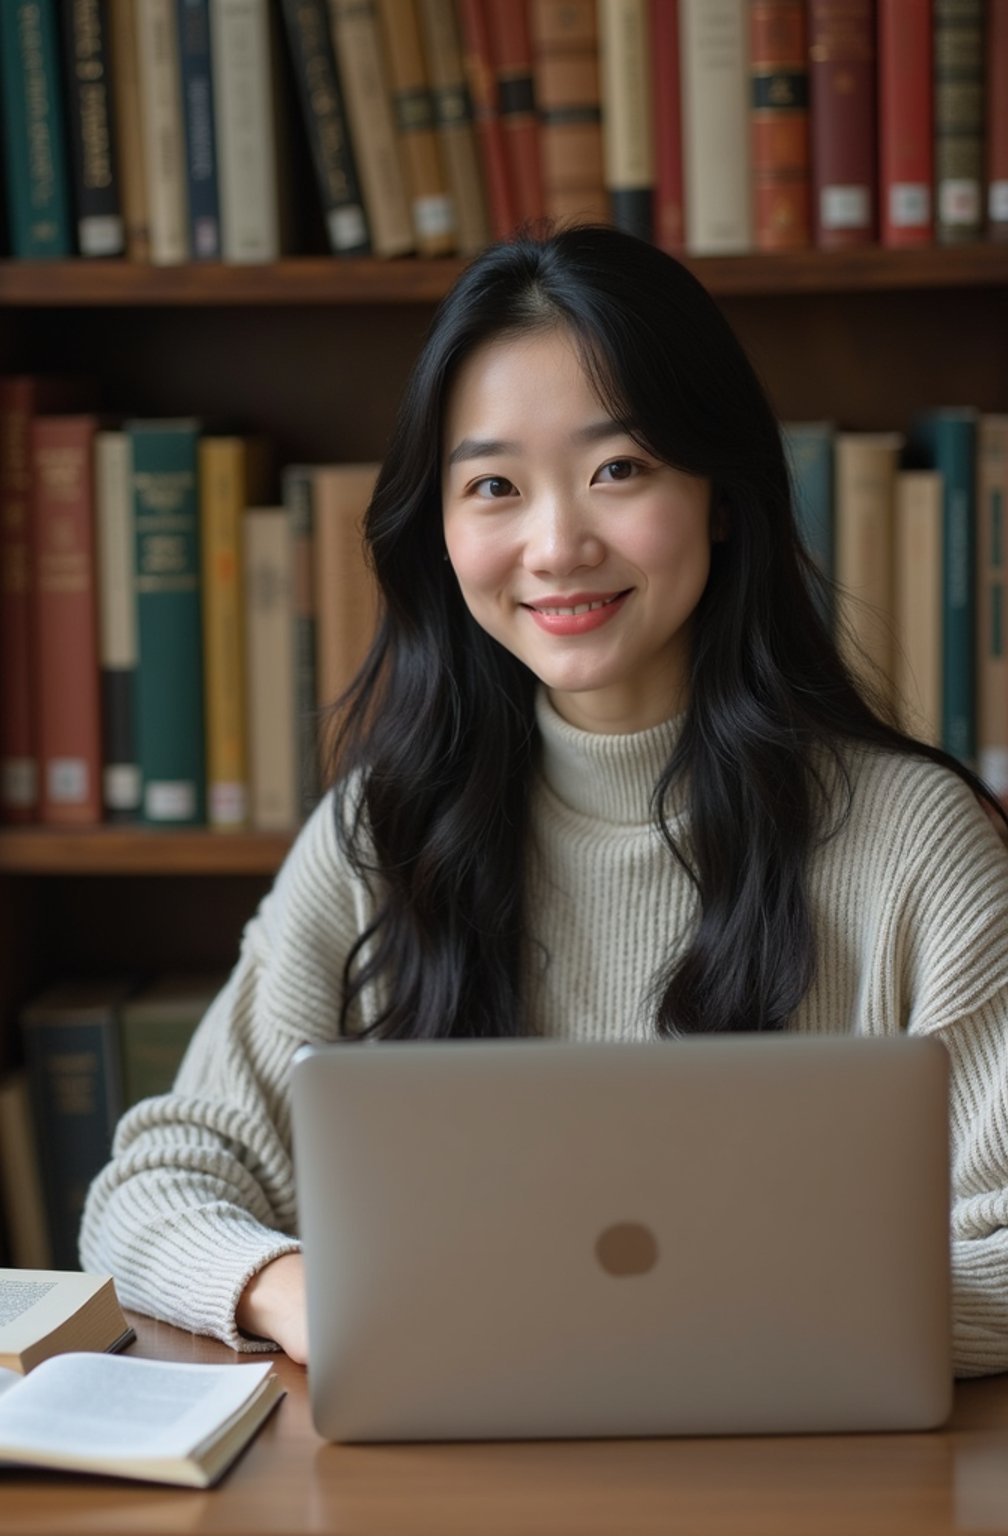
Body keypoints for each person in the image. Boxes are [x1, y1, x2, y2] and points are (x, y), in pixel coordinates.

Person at [81, 224, 1008, 1376]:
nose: (557, 543)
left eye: (618, 469)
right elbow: (154, 1186)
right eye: (494, 487)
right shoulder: (388, 831)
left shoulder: (914, 844)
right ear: (442, 525)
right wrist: (305, 1293)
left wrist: (656, 1328)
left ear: (720, 493)